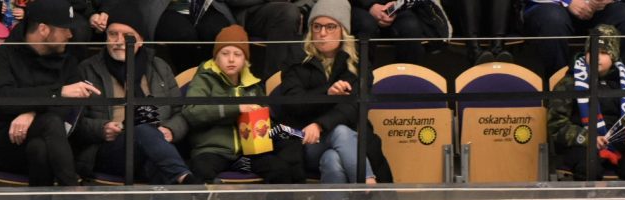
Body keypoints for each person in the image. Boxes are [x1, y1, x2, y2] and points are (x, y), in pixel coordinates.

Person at [0, 0, 102, 187]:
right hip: (7, 140)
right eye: (65, 29)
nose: (70, 35)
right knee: (49, 124)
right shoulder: (0, 57)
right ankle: (74, 194)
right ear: (44, 30)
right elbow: (4, 99)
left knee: (40, 147)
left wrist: (33, 113)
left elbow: (73, 109)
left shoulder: (68, 59)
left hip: (52, 142)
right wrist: (57, 93)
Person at [75, 2, 197, 184]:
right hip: (111, 148)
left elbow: (181, 112)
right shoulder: (88, 69)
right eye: (112, 34)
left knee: (152, 161)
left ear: (140, 40)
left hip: (157, 146)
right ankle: (186, 180)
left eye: (128, 36)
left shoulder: (159, 67)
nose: (118, 41)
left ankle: (178, 196)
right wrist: (101, 128)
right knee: (140, 129)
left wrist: (171, 129)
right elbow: (74, 122)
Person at [272, 0, 393, 184]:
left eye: (330, 27)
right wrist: (326, 94)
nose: (322, 33)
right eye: (317, 26)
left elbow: (354, 108)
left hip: (351, 141)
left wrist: (320, 124)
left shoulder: (358, 62)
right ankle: (369, 188)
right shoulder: (296, 58)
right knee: (340, 133)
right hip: (307, 141)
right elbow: (291, 103)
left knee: (333, 159)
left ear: (343, 30)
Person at [182, 25, 296, 183]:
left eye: (237, 54)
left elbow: (267, 122)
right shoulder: (204, 79)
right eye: (225, 53)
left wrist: (263, 114)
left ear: (245, 60)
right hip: (213, 151)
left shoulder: (253, 85)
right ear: (216, 57)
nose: (231, 59)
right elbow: (192, 112)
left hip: (247, 155)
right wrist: (237, 108)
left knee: (280, 170)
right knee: (201, 171)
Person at [548, 24, 625, 181]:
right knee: (589, 169)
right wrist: (587, 137)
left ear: (614, 56)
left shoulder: (623, 82)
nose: (597, 56)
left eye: (604, 53)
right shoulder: (569, 82)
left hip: (620, 145)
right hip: (582, 145)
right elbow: (556, 124)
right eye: (593, 51)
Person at [522, 0, 625, 78]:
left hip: (598, 9)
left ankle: (612, 86)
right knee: (552, 20)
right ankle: (561, 90)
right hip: (551, 6)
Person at [350, 0, 451, 67]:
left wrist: (397, 4)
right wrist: (370, 6)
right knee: (366, 25)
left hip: (396, 6)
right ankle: (362, 80)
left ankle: (405, 80)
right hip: (358, 5)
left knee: (410, 26)